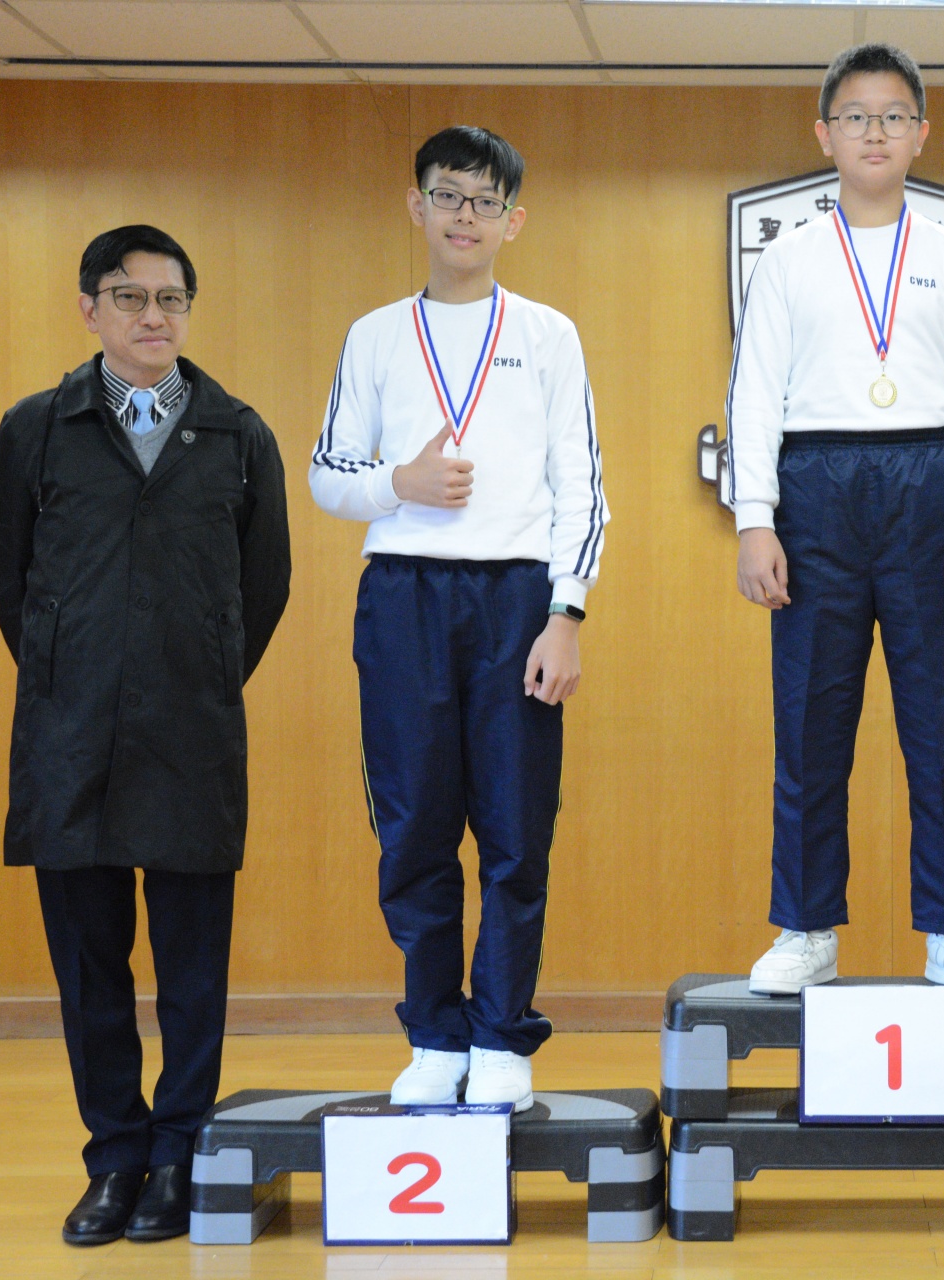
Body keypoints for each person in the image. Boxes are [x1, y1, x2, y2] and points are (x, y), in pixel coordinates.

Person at [0, 225, 291, 1245]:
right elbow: (9, 572)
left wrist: (197, 671)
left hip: (192, 733)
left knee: (193, 967)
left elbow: (265, 585)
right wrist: (73, 667)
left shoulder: (237, 434)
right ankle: (114, 1156)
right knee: (90, 965)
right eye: (129, 296)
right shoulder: (37, 428)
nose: (153, 316)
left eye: (170, 299)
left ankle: (179, 1152)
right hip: (69, 735)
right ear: (90, 308)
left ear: (187, 311)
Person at [309, 125, 607, 1109]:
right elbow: (327, 473)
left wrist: (566, 613)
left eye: (485, 200)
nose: (464, 216)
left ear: (513, 220)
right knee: (414, 830)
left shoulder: (548, 335)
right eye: (447, 195)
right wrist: (400, 483)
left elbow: (583, 486)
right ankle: (436, 1033)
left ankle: (502, 1035)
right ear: (417, 206)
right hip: (404, 595)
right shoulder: (374, 335)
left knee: (516, 832)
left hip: (518, 599)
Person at [727, 43, 944, 996]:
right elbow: (753, 395)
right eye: (856, 117)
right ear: (825, 134)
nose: (875, 133)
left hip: (929, 486)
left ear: (921, 133)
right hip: (815, 489)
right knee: (810, 726)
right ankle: (806, 926)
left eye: (894, 116)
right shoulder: (787, 260)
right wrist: (755, 519)